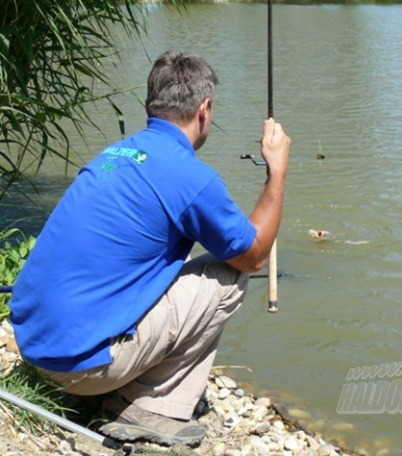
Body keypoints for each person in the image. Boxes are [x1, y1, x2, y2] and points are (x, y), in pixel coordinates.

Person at [9, 52, 291, 447]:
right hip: (76, 369)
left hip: (35, 345)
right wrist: (277, 171)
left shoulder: (111, 155)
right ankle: (148, 408)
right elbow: (254, 255)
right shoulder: (190, 177)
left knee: (180, 263)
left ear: (150, 104)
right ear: (204, 110)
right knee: (228, 276)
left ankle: (111, 376)